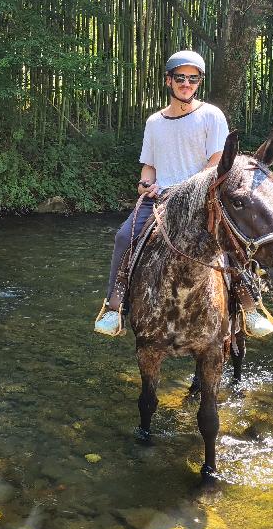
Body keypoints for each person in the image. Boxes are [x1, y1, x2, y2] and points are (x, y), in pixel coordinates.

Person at [94, 50, 229, 336]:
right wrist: (146, 186)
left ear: (199, 82)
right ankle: (115, 306)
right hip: (161, 199)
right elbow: (148, 168)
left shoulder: (211, 115)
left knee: (234, 237)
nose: (187, 84)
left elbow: (216, 163)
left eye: (194, 78)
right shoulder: (154, 122)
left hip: (201, 198)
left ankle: (247, 302)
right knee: (123, 237)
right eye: (180, 77)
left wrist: (189, 190)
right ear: (168, 81)